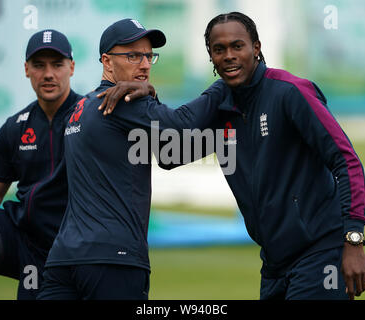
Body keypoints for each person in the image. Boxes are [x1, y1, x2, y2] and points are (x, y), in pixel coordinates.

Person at [104, 12, 365, 300]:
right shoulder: (221, 105)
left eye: (237, 46)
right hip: (273, 264)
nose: (228, 56)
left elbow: (346, 161)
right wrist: (146, 101)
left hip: (320, 251)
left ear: (256, 47)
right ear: (211, 58)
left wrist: (353, 239)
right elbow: (171, 155)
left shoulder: (290, 92)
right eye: (219, 50)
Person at [37, 18, 227, 300]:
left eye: (149, 56)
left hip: (63, 259)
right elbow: (180, 125)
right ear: (106, 61)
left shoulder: (83, 105)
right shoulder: (124, 100)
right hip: (113, 259)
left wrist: (224, 139)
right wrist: (226, 83)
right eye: (133, 55)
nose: (145, 64)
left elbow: (168, 155)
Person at [0, 29, 83, 299]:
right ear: (27, 69)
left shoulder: (91, 118)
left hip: (83, 251)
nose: (48, 74)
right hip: (30, 252)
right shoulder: (14, 128)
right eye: (39, 65)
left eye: (57, 64)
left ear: (71, 67)